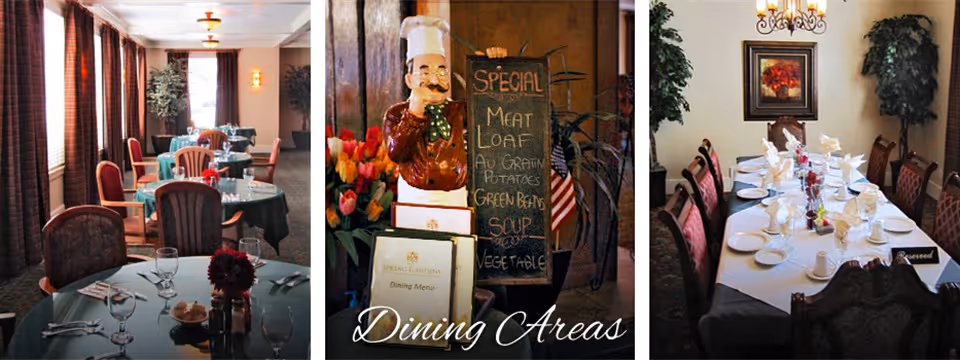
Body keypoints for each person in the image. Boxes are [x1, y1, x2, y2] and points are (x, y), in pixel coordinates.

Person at [384, 15, 505, 207]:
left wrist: (490, 71)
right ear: (409, 80)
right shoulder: (396, 114)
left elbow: (491, 114)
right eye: (425, 72)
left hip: (455, 197)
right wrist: (415, 112)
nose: (434, 81)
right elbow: (397, 153)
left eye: (441, 71)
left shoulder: (458, 111)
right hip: (414, 197)